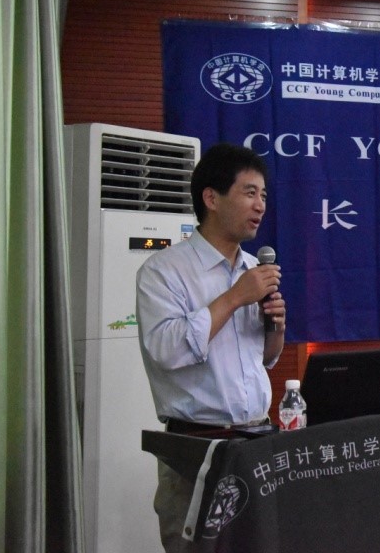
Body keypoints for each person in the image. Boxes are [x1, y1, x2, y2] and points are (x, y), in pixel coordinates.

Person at [136, 142, 286, 552]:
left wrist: (276, 326)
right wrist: (235, 297)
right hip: (196, 452)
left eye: (264, 195)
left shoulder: (255, 268)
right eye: (249, 193)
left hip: (257, 444)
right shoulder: (164, 270)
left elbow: (264, 358)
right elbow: (166, 350)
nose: (260, 205)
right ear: (211, 198)